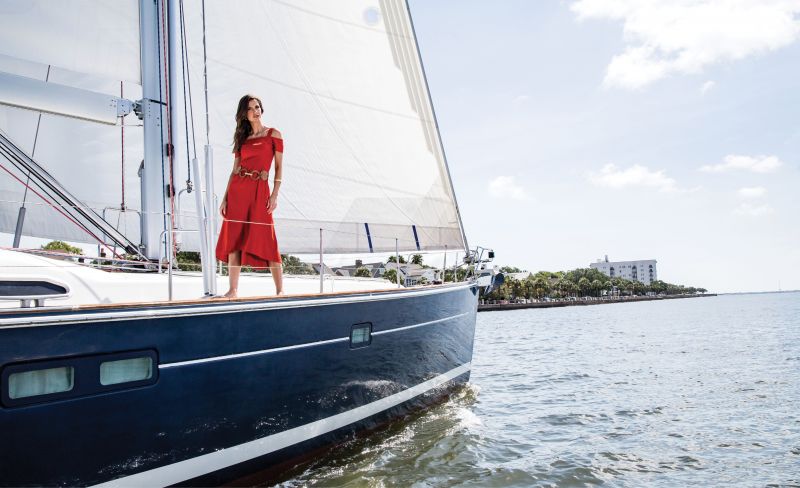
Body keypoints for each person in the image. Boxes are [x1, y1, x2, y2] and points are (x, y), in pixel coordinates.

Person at [216, 94, 283, 297]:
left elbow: (279, 168)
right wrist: (225, 197)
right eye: (252, 108)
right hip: (238, 190)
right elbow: (234, 170)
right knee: (234, 240)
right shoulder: (242, 139)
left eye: (258, 106)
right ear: (244, 114)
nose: (256, 110)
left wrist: (274, 195)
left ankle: (280, 291)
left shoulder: (274, 134)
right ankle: (233, 289)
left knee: (267, 238)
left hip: (259, 191)